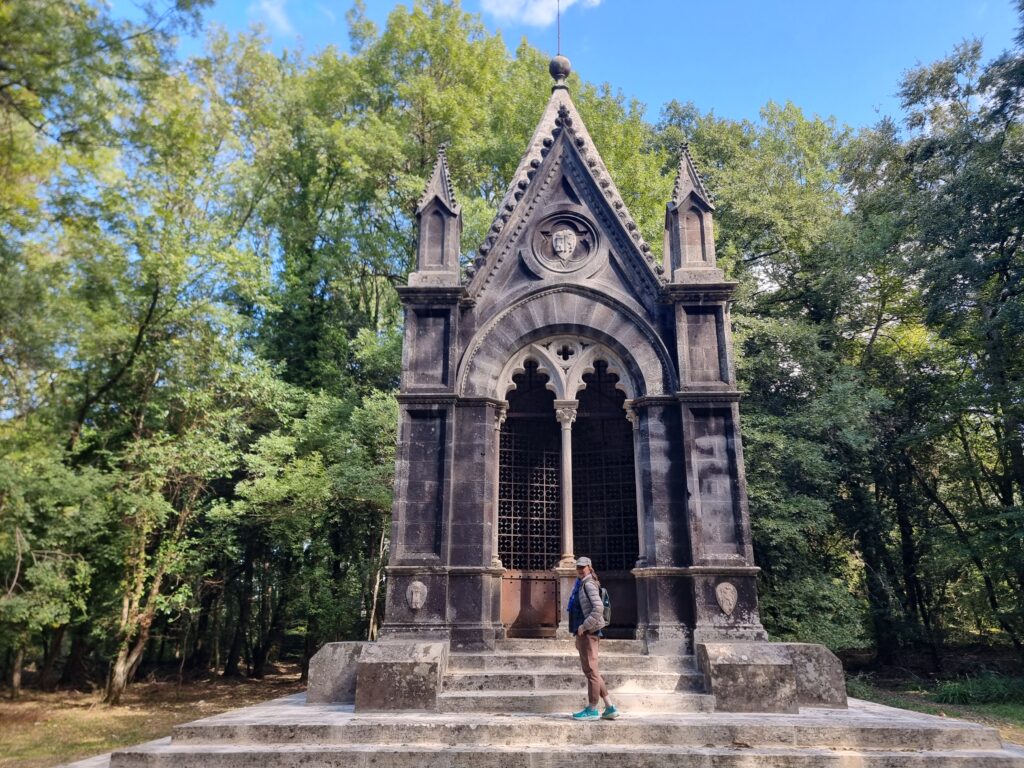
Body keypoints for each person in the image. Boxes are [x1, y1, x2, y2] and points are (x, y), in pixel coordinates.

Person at [567, 556, 619, 720]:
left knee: (591, 672)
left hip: (589, 633)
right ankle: (609, 707)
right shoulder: (582, 584)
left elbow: (598, 608)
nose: (580, 570)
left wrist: (584, 626)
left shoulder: (588, 584)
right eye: (578, 567)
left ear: (589, 567)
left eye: (583, 567)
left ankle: (592, 708)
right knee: (593, 671)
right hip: (586, 633)